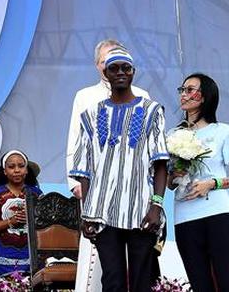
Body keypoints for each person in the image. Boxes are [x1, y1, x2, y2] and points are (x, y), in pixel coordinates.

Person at [69, 48, 168, 292]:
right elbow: (84, 168)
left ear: (133, 72)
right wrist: (87, 213)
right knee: (112, 281)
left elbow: (160, 163)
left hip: (141, 209)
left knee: (142, 280)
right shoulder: (90, 115)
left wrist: (156, 206)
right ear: (105, 73)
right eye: (114, 68)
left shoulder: (152, 111)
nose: (121, 72)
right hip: (102, 210)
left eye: (126, 68)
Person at [166, 73, 229, 292]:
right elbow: (170, 184)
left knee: (228, 281)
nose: (184, 95)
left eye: (190, 90)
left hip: (217, 212)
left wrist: (212, 183)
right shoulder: (172, 135)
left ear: (205, 96)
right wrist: (176, 174)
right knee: (199, 283)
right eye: (182, 90)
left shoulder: (223, 131)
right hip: (184, 216)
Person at [0, 150, 42, 278]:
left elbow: (45, 224)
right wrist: (10, 222)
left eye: (21, 166)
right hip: (1, 263)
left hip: (32, 262)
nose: (17, 170)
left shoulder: (36, 193)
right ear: (5, 171)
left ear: (26, 170)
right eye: (11, 167)